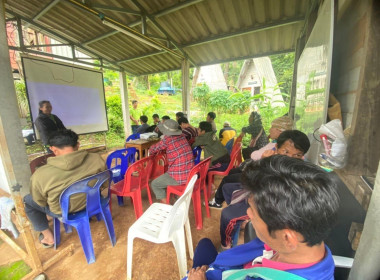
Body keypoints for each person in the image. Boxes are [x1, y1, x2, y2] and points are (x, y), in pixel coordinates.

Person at [185, 155, 339, 280]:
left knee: (202, 250)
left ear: (287, 238)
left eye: (254, 212)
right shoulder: (301, 242)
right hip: (225, 267)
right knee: (204, 244)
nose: (249, 214)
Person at [219, 130, 310, 250]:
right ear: (276, 147)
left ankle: (225, 245)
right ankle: (241, 223)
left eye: (297, 155)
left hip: (269, 205)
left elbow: (260, 186)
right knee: (227, 188)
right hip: (258, 193)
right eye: (286, 151)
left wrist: (263, 165)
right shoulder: (272, 159)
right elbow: (249, 177)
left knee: (227, 215)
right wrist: (263, 162)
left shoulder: (298, 171)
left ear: (302, 155)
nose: (290, 158)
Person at [23, 129, 106, 248]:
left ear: (53, 149)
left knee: (28, 200)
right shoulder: (96, 158)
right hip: (94, 202)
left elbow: (40, 201)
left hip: (63, 211)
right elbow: (105, 183)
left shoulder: (40, 174)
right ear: (78, 145)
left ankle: (47, 235)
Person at [209, 116, 295, 209]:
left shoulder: (276, 145)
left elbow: (255, 155)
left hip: (259, 176)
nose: (269, 130)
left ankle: (217, 202)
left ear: (279, 131)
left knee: (228, 179)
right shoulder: (277, 143)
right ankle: (221, 193)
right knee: (232, 172)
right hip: (258, 171)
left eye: (272, 127)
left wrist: (258, 154)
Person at [149, 119, 194, 203]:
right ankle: (178, 195)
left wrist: (150, 150)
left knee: (155, 184)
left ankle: (168, 207)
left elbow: (153, 149)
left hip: (180, 176)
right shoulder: (182, 136)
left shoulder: (167, 140)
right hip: (190, 173)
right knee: (168, 170)